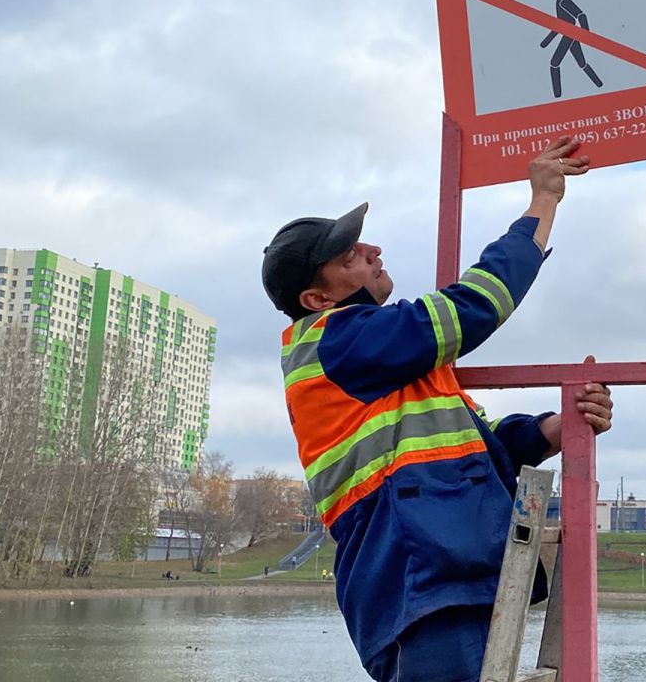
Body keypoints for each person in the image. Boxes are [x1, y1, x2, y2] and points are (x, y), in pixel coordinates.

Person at [261, 137, 615, 682]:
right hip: (421, 576)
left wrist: (558, 426)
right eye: (350, 254)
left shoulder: (388, 361)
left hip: (431, 576)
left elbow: (483, 441)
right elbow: (476, 305)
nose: (373, 250)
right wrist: (543, 202)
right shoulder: (339, 340)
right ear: (317, 299)